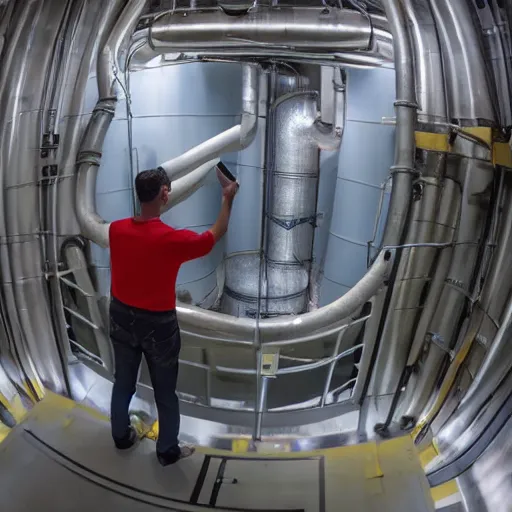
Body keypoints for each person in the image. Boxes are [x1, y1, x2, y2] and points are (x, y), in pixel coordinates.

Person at [108, 166, 238, 466]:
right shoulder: (171, 240)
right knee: (165, 393)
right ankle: (167, 451)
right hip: (158, 325)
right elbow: (214, 235)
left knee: (123, 383)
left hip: (120, 315)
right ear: (165, 194)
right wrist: (227, 198)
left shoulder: (116, 229)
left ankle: (121, 437)